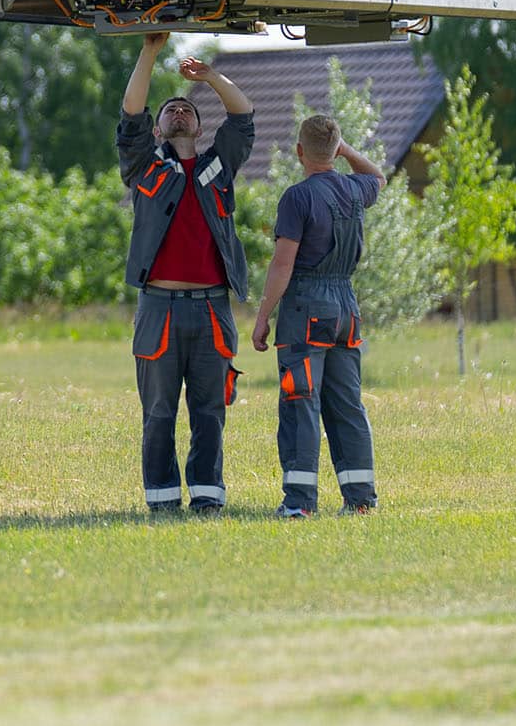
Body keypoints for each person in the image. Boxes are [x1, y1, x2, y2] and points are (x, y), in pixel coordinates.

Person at [118, 31, 255, 515]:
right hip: (159, 309)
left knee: (210, 413)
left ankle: (208, 498)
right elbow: (130, 115)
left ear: (198, 127)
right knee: (157, 413)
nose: (179, 112)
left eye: (187, 110)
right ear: (158, 130)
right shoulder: (144, 168)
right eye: (170, 111)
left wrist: (211, 76)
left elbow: (242, 116)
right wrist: (150, 51)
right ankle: (161, 502)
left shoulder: (218, 166)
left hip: (212, 309)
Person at [250, 113, 386, 518]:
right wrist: (343, 149)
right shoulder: (355, 188)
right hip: (346, 306)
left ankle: (299, 504)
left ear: (298, 152)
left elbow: (282, 264)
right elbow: (378, 176)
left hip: (306, 308)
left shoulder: (297, 197)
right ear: (335, 150)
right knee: (347, 404)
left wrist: (262, 317)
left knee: (300, 402)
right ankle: (361, 500)